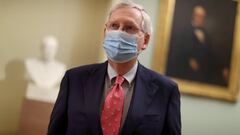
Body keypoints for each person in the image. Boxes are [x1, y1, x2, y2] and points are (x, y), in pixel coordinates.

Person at [48, 1, 181, 135]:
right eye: (114, 26)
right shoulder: (74, 79)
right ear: (105, 33)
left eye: (129, 27)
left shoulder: (166, 91)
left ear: (145, 41)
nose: (119, 33)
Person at [167, 5, 213, 83]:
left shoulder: (207, 35)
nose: (200, 19)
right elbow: (179, 51)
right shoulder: (184, 32)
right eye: (198, 16)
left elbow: (210, 53)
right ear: (193, 16)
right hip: (185, 70)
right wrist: (189, 60)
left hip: (202, 72)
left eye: (202, 17)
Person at [25, 35, 66, 103]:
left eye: (52, 48)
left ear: (56, 50)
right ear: (41, 48)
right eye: (46, 47)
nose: (49, 51)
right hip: (32, 99)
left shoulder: (61, 68)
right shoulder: (30, 64)